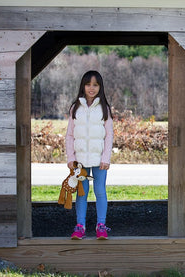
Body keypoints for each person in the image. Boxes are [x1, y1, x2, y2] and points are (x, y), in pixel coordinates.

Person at [65, 70, 114, 240]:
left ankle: (101, 225)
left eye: (95, 85)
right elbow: (70, 135)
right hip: (80, 161)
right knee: (81, 193)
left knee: (100, 191)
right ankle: (80, 226)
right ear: (83, 86)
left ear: (100, 87)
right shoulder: (75, 108)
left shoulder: (104, 109)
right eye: (88, 84)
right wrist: (71, 157)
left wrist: (106, 158)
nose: (91, 88)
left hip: (99, 159)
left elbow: (109, 135)